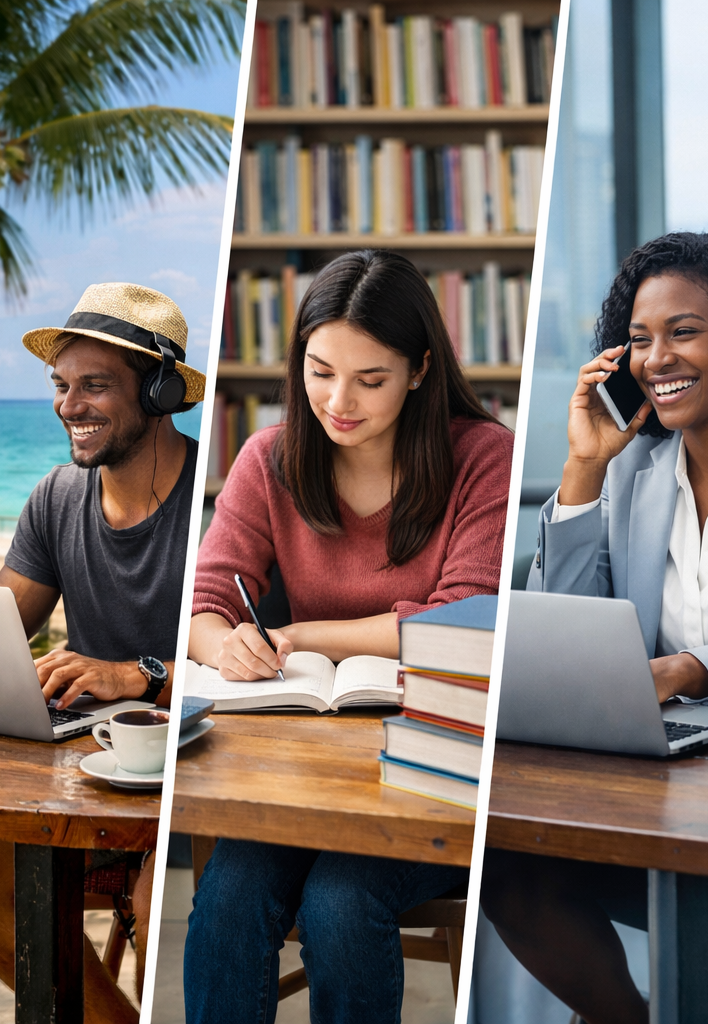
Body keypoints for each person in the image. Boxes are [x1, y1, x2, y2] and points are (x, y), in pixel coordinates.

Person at [480, 232, 708, 1024]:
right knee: (508, 867)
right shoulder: (633, 471)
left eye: (683, 331)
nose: (657, 357)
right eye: (639, 339)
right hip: (650, 779)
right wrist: (584, 468)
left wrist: (677, 671)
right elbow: (569, 625)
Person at [182, 251, 512, 1024]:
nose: (339, 401)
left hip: (432, 757)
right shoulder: (268, 458)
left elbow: (460, 617)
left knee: (339, 902)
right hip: (300, 762)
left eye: (371, 379)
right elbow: (203, 604)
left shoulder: (480, 457)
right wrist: (222, 644)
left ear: (421, 369)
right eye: (320, 371)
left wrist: (295, 633)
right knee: (229, 897)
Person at [0, 282, 203, 1024]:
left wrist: (132, 677)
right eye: (61, 386)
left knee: (157, 909)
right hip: (87, 767)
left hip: (198, 762)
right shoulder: (57, 497)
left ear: (158, 390)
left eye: (95, 386)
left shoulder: (218, 498)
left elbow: (257, 675)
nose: (68, 406)